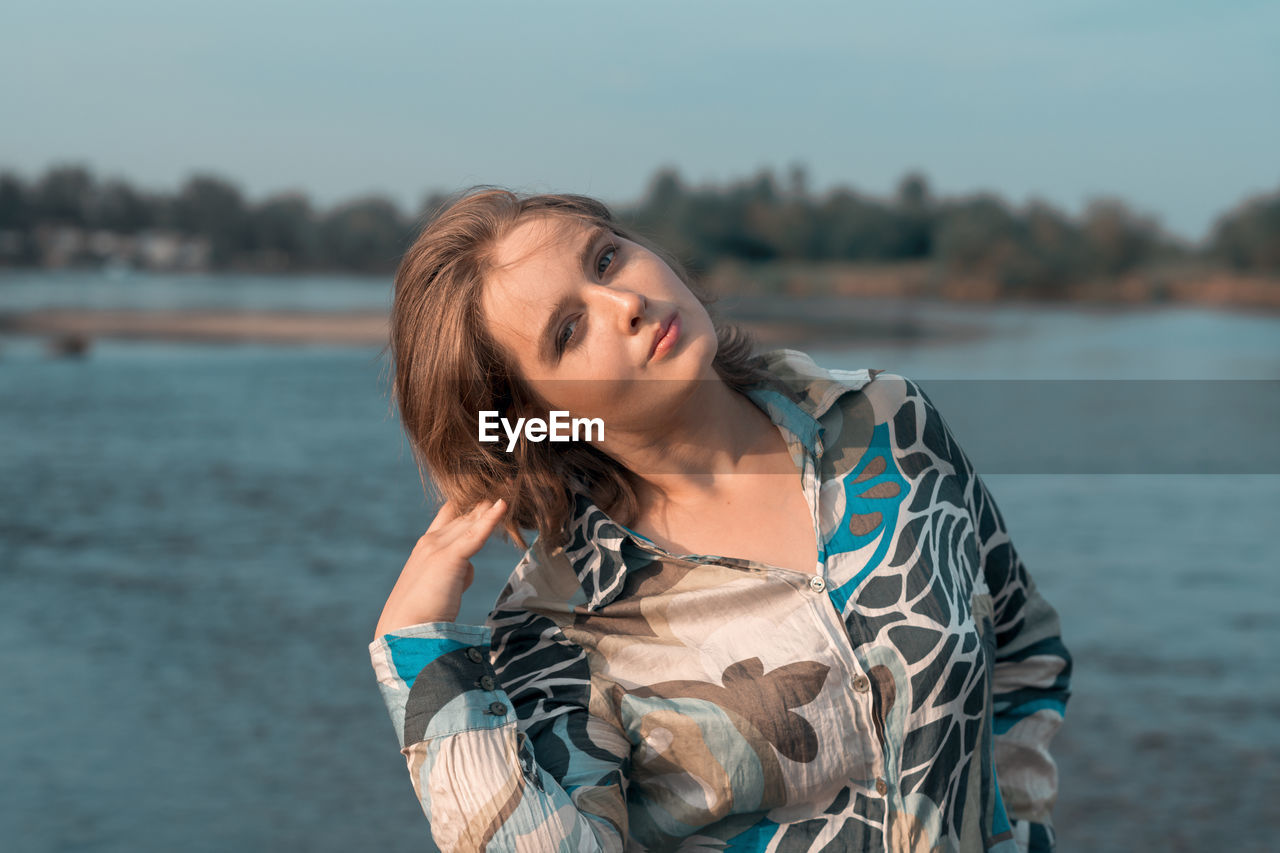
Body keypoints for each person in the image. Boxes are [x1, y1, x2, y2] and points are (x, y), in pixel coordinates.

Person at [369, 188, 1072, 852]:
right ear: (538, 415)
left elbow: (1023, 653)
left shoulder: (889, 423)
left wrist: (1020, 828)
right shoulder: (563, 624)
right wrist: (427, 667)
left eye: (606, 256)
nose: (627, 302)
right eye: (570, 329)